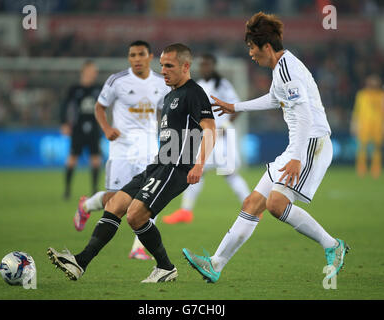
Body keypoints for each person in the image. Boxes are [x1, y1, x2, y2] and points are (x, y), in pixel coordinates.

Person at [183, 12, 349, 283]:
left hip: (310, 145)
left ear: (267, 47)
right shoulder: (282, 69)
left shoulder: (287, 70)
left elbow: (305, 114)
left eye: (252, 47)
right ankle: (215, 264)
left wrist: (296, 158)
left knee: (276, 204)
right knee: (252, 203)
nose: (250, 53)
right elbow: (274, 99)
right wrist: (235, 107)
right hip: (298, 145)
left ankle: (332, 245)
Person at [48, 43, 216, 283]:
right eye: (162, 66)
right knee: (115, 203)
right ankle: (80, 262)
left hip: (175, 168)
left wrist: (199, 164)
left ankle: (165, 268)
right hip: (158, 164)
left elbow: (210, 129)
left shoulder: (194, 93)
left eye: (169, 66)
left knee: (136, 216)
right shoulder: (169, 96)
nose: (164, 71)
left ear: (186, 66)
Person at [72, 40, 170, 261]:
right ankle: (87, 204)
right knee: (115, 200)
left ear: (150, 56)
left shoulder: (160, 83)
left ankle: (138, 248)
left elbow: (164, 112)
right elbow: (99, 107)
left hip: (148, 148)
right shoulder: (117, 81)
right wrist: (106, 128)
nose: (136, 59)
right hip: (122, 148)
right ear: (129, 58)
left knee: (149, 198)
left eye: (140, 54)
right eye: (132, 55)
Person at [162, 53, 251, 224]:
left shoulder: (222, 85)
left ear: (213, 65)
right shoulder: (199, 85)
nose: (204, 68)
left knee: (227, 173)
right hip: (206, 136)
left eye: (207, 64)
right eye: (202, 65)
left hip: (222, 136)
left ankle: (251, 206)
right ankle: (186, 211)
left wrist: (225, 126)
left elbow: (236, 107)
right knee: (199, 172)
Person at [60, 60, 102, 200]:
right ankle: (67, 190)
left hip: (94, 127)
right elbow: (65, 106)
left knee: (95, 159)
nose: (93, 74)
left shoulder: (99, 88)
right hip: (78, 127)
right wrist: (64, 123)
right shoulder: (74, 89)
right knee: (72, 159)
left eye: (94, 71)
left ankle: (95, 190)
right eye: (91, 71)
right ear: (84, 72)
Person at [351, 74, 384, 179]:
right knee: (362, 147)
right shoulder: (362, 95)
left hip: (378, 124)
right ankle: (361, 169)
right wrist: (354, 124)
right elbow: (357, 111)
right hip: (364, 124)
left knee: (377, 148)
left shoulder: (381, 95)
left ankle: (375, 169)